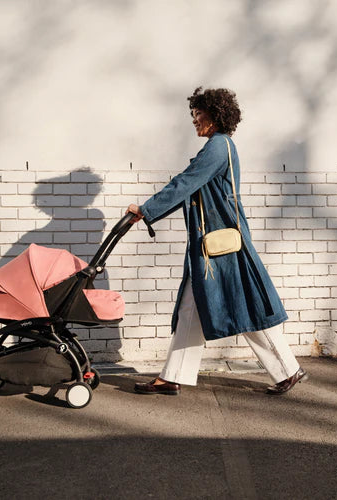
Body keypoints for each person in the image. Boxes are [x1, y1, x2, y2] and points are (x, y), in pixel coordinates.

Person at [126, 87, 307, 396]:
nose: (195, 120)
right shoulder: (217, 146)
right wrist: (147, 214)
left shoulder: (218, 146)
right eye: (194, 115)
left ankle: (287, 369)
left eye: (199, 115)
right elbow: (188, 188)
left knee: (247, 304)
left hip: (222, 246)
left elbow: (185, 182)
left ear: (214, 116)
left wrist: (147, 209)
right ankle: (172, 376)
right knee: (190, 307)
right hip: (213, 245)